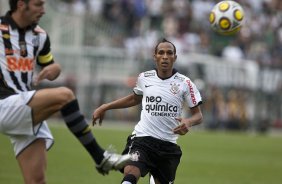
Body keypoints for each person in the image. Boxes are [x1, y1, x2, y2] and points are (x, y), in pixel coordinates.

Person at [0, 0, 131, 183]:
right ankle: (101, 158)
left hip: (22, 107)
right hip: (4, 105)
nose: (43, 10)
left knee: (36, 180)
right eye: (38, 4)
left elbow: (50, 65)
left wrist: (55, 69)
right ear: (21, 4)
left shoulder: (40, 36)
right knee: (65, 95)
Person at [93, 38, 203, 184]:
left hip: (168, 146)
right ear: (155, 56)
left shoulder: (185, 83)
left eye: (169, 53)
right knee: (131, 173)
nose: (165, 56)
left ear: (175, 58)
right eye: (161, 53)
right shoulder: (144, 78)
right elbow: (134, 99)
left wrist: (188, 122)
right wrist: (105, 106)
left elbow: (198, 115)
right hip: (142, 140)